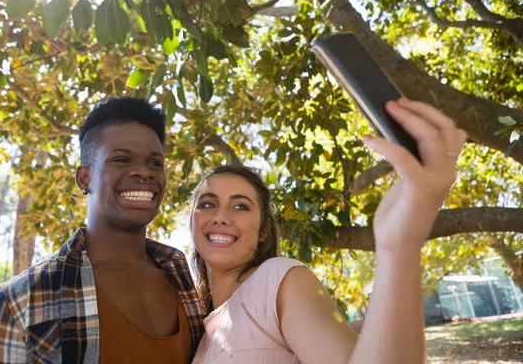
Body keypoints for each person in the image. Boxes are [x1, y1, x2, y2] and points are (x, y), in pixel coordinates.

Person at [189, 99, 468, 363]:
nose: (221, 217)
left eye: (240, 207)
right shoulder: (196, 324)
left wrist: (399, 249)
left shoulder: (276, 280)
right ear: (192, 220)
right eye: (208, 203)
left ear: (264, 231)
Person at [0, 97, 205, 363]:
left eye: (155, 163)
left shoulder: (186, 283)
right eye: (122, 159)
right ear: (84, 178)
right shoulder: (17, 305)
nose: (143, 172)